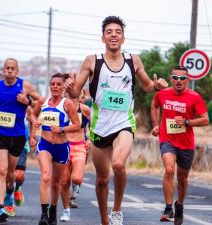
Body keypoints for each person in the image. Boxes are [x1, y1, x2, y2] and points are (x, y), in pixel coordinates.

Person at [64, 16, 168, 225]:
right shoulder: (92, 60)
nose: (113, 35)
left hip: (124, 123)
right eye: (109, 32)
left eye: (117, 32)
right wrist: (70, 87)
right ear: (103, 37)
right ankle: (104, 220)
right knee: (102, 179)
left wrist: (156, 86)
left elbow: (147, 85)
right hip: (100, 126)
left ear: (123, 37)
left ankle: (117, 210)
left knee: (119, 164)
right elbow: (76, 91)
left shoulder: (133, 60)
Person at [150, 66, 209, 225]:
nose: (178, 81)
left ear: (187, 81)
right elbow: (154, 105)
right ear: (171, 79)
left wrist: (188, 122)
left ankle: (180, 205)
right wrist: (156, 125)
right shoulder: (163, 94)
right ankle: (169, 208)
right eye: (175, 78)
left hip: (186, 144)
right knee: (169, 169)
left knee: (182, 178)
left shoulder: (195, 97)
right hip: (167, 139)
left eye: (182, 78)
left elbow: (205, 119)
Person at [0, 58, 40, 222]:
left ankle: (10, 192)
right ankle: (1, 207)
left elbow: (40, 101)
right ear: (3, 70)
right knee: (1, 170)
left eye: (12, 68)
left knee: (10, 174)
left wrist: (27, 101)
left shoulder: (25, 86)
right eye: (7, 68)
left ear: (17, 71)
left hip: (17, 135)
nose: (9, 70)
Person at [31, 73, 80, 225]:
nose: (55, 87)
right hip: (45, 144)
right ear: (49, 85)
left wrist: (62, 129)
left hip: (61, 147)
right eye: (53, 84)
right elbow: (33, 115)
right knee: (46, 176)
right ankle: (44, 214)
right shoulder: (42, 102)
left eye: (59, 84)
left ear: (63, 86)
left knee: (56, 183)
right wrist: (35, 124)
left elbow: (77, 124)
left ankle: (53, 210)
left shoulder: (68, 104)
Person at [59, 90, 90, 222]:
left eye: (74, 94)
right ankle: (66, 211)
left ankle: (76, 186)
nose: (71, 97)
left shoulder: (85, 109)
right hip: (64, 146)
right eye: (68, 95)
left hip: (79, 147)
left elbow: (95, 124)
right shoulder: (61, 108)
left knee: (76, 178)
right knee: (64, 181)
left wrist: (90, 139)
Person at [13, 106, 35, 208]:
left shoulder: (28, 109)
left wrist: (31, 137)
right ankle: (8, 199)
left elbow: (33, 122)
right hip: (7, 143)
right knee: (7, 173)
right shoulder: (5, 104)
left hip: (22, 145)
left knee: (19, 175)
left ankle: (17, 187)